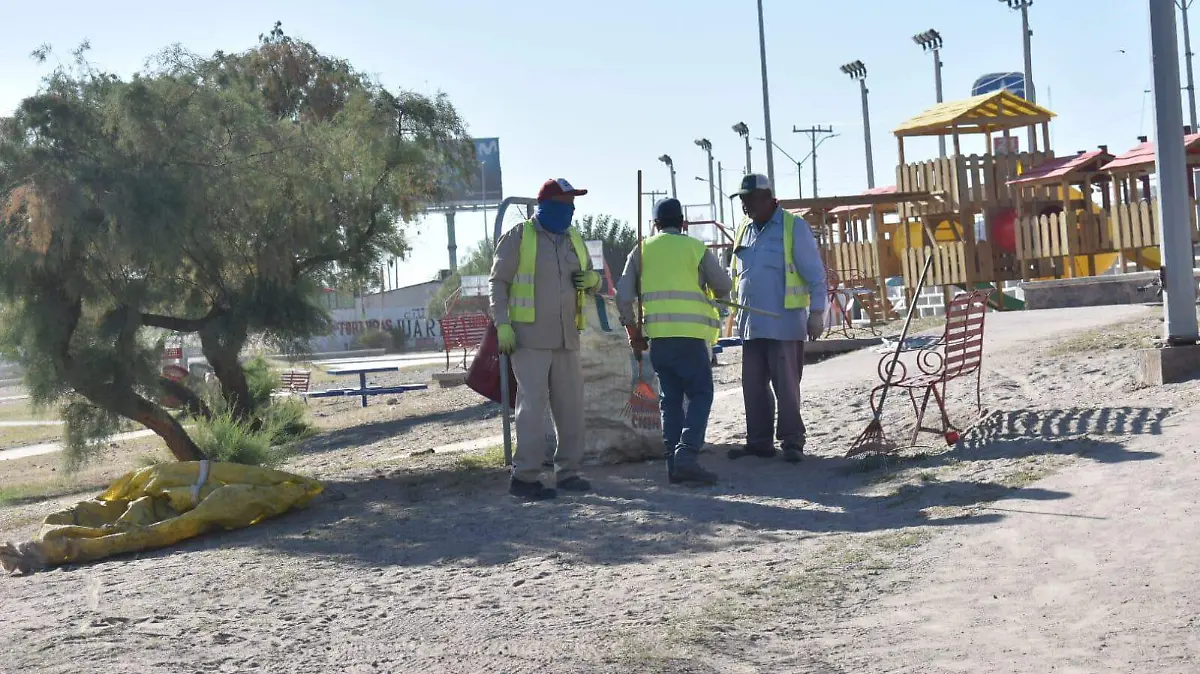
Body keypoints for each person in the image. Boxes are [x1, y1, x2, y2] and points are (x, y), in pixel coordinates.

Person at [490, 178, 602, 500]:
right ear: (546, 204)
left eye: (572, 204)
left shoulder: (574, 239)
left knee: (571, 408)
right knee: (532, 409)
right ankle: (524, 477)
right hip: (529, 339)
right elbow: (498, 282)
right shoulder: (519, 236)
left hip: (568, 337)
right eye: (564, 203)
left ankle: (568, 473)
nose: (569, 209)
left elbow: (592, 280)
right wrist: (503, 325)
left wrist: (592, 281)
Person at [616, 198, 732, 485]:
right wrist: (710, 293)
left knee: (671, 401)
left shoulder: (641, 250)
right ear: (683, 223)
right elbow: (724, 285)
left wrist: (633, 333)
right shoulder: (695, 248)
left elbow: (623, 296)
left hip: (659, 340)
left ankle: (673, 462)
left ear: (655, 224)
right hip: (691, 338)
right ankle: (687, 455)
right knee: (700, 395)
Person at [726, 174, 827, 464]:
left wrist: (817, 314)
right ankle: (759, 442)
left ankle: (792, 441)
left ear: (768, 197)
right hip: (751, 324)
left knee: (786, 387)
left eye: (750, 199)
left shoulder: (793, 227)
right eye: (742, 200)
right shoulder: (743, 229)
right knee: (753, 386)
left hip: (784, 324)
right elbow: (736, 275)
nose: (745, 205)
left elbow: (816, 276)